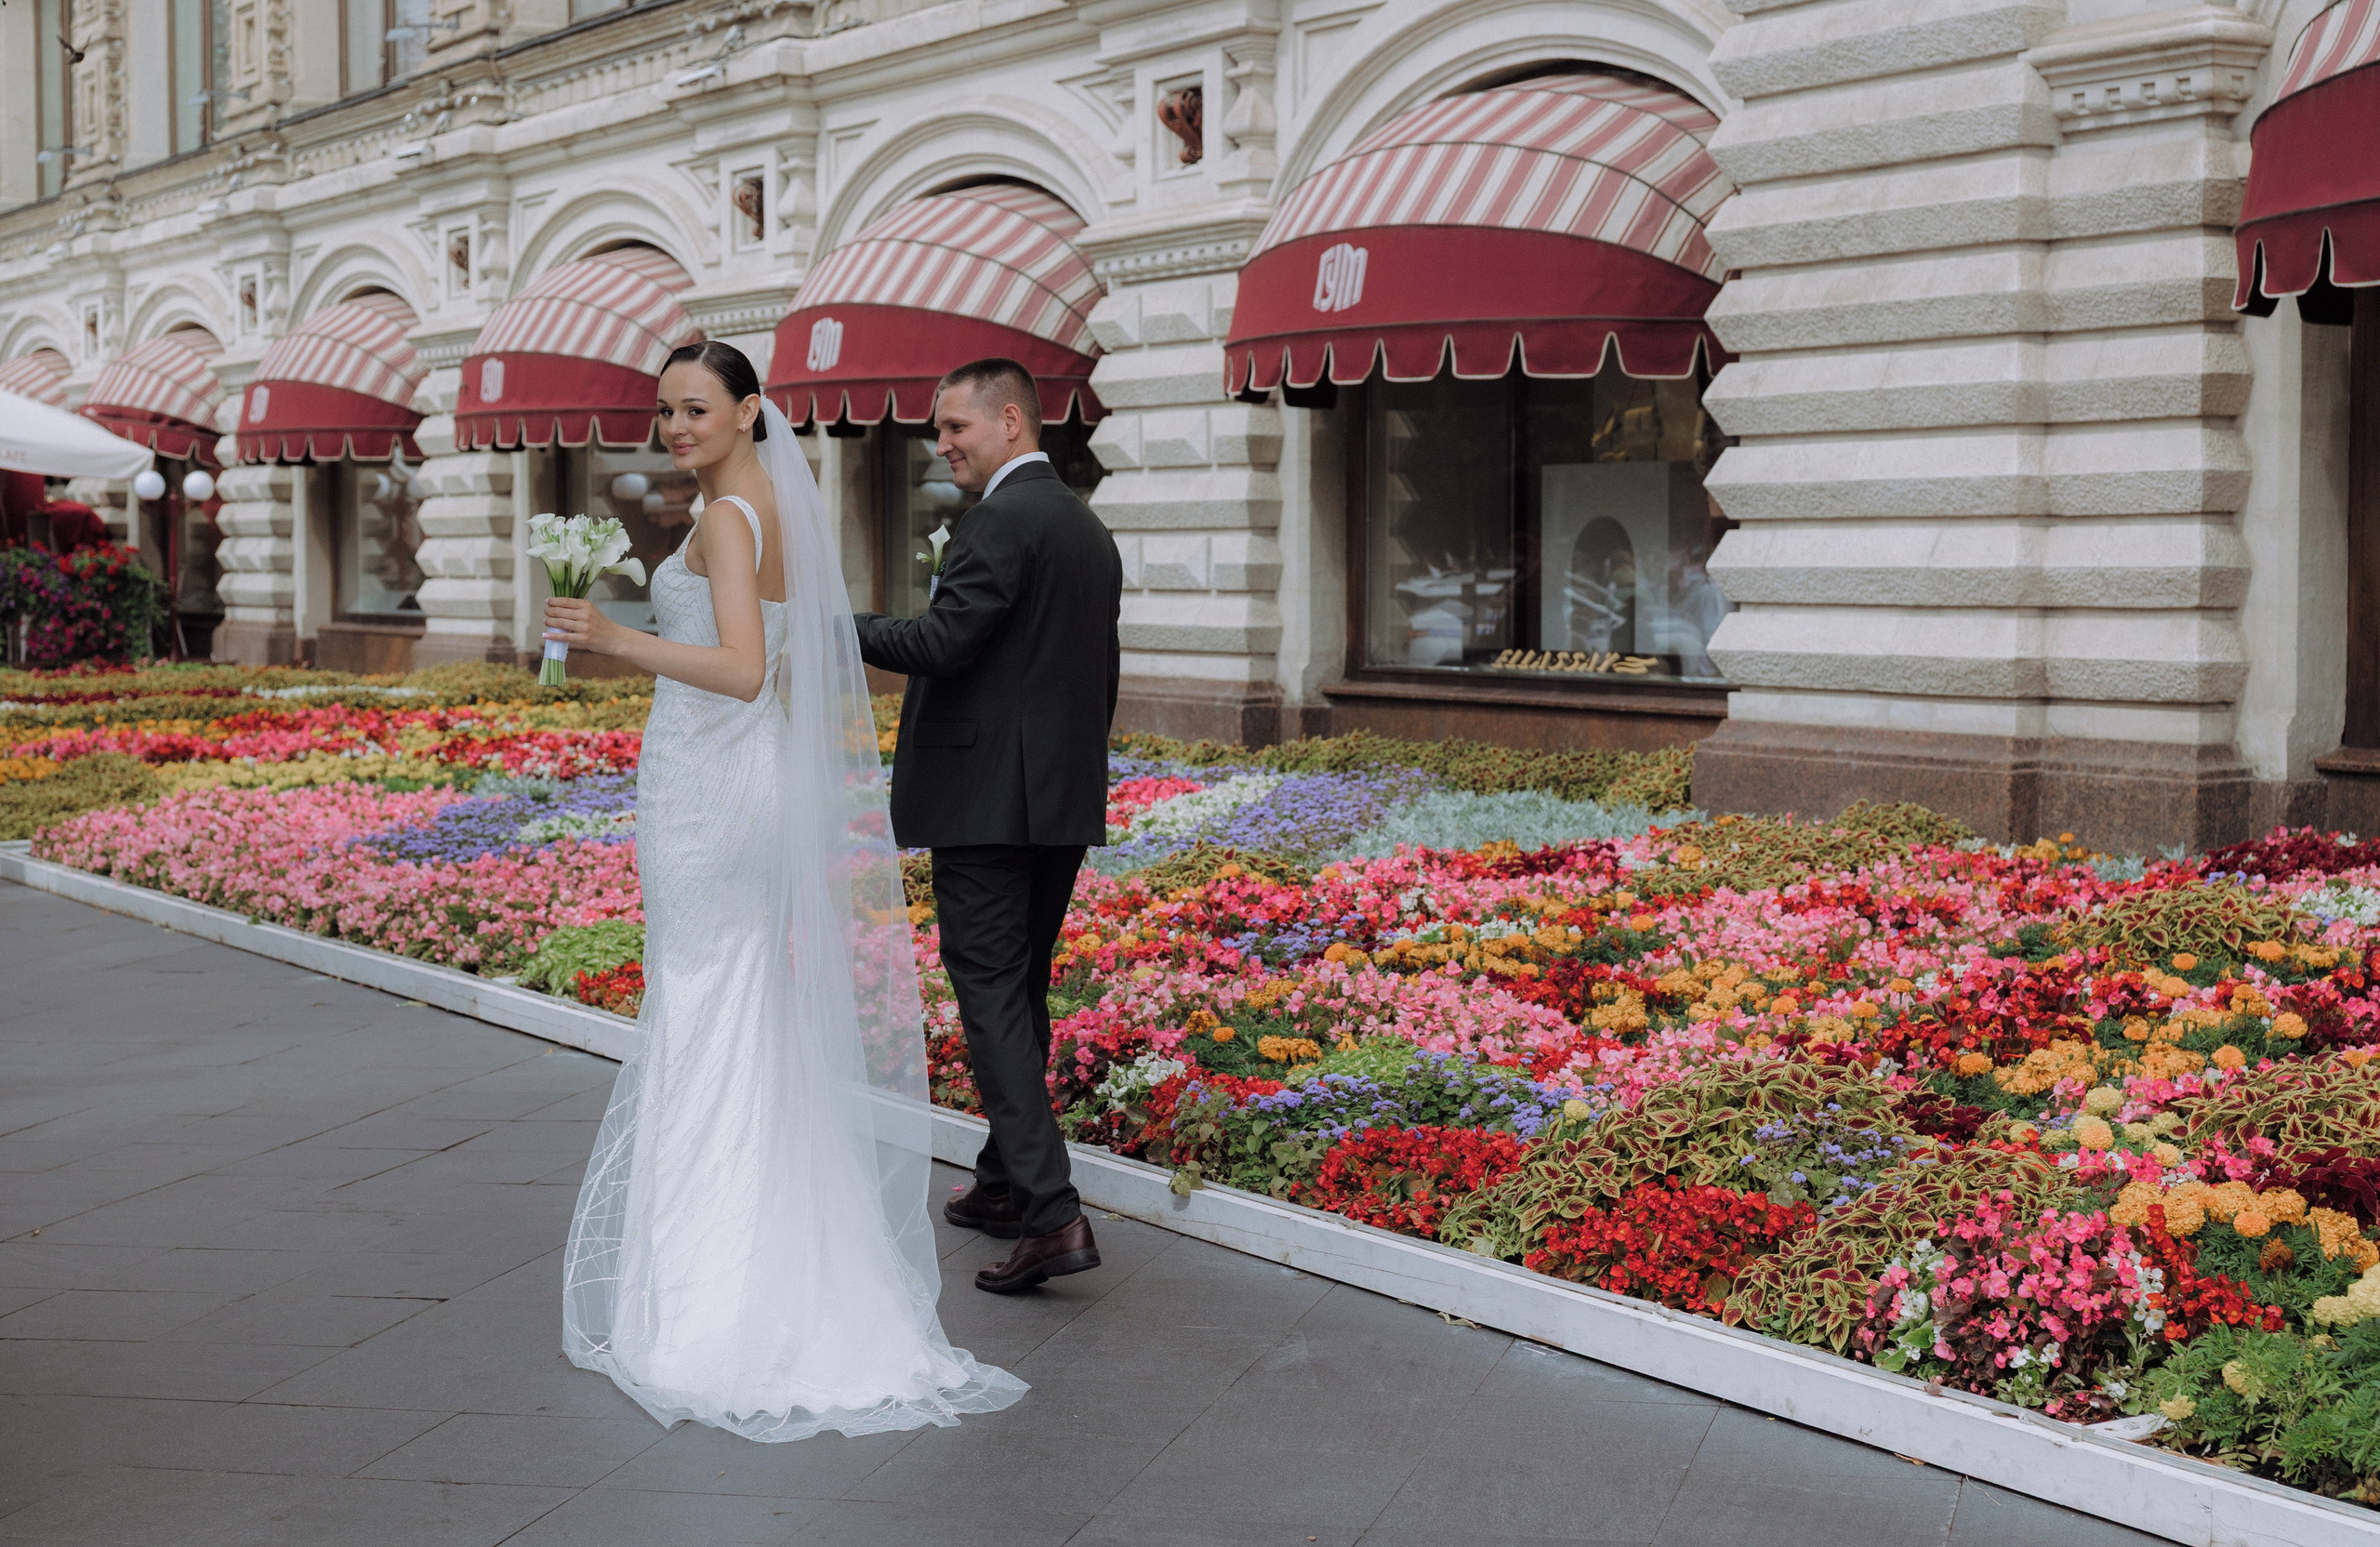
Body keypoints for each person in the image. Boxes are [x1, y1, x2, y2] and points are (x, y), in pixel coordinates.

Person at [542, 339, 1025, 1441]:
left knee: (708, 1004)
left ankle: (713, 1297)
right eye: (664, 410)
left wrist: (613, 634)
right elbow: (793, 673)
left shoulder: (725, 517)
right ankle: (778, 1271)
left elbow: (746, 668)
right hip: (741, 783)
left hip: (711, 788)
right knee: (739, 1004)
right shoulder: (769, 506)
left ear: (752, 408)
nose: (675, 426)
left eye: (697, 407)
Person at [853, 357, 1124, 1295]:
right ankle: (1007, 1182)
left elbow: (942, 642)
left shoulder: (998, 521)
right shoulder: (1085, 527)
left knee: (991, 998)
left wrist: (837, 623)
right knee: (1020, 989)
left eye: (955, 427)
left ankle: (1051, 1213)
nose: (942, 445)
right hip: (1055, 802)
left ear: (1010, 420)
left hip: (986, 806)